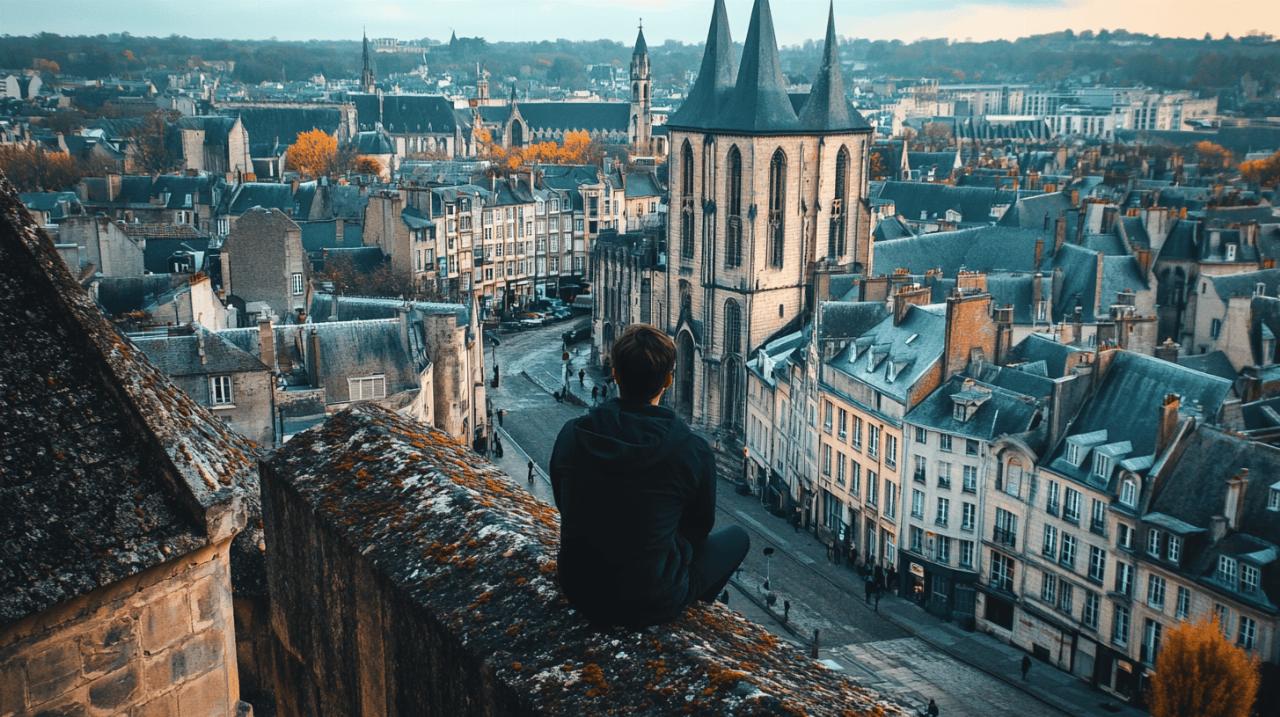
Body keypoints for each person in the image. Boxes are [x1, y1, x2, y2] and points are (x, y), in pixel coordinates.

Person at [550, 324, 749, 628]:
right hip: (651, 601)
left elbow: (564, 501)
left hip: (580, 588)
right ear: (669, 380)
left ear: (614, 374)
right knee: (738, 538)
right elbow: (698, 528)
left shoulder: (573, 433)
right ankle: (692, 614)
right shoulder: (692, 450)